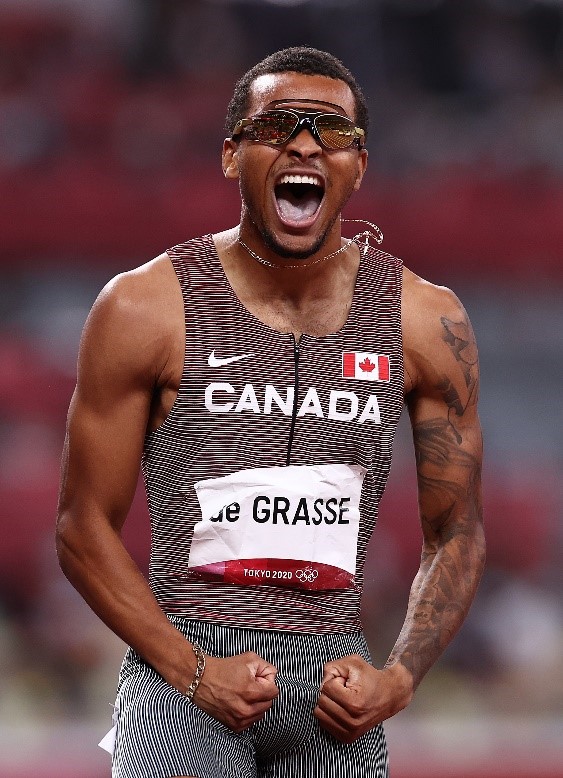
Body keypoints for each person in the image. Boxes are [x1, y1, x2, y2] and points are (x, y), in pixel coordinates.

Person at [56, 46, 485, 778]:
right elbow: (80, 526)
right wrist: (190, 669)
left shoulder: (424, 320)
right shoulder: (144, 307)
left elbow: (457, 532)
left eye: (332, 131)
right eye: (277, 125)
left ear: (358, 167)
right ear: (230, 157)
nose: (305, 144)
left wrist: (401, 676)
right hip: (183, 677)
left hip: (332, 687)